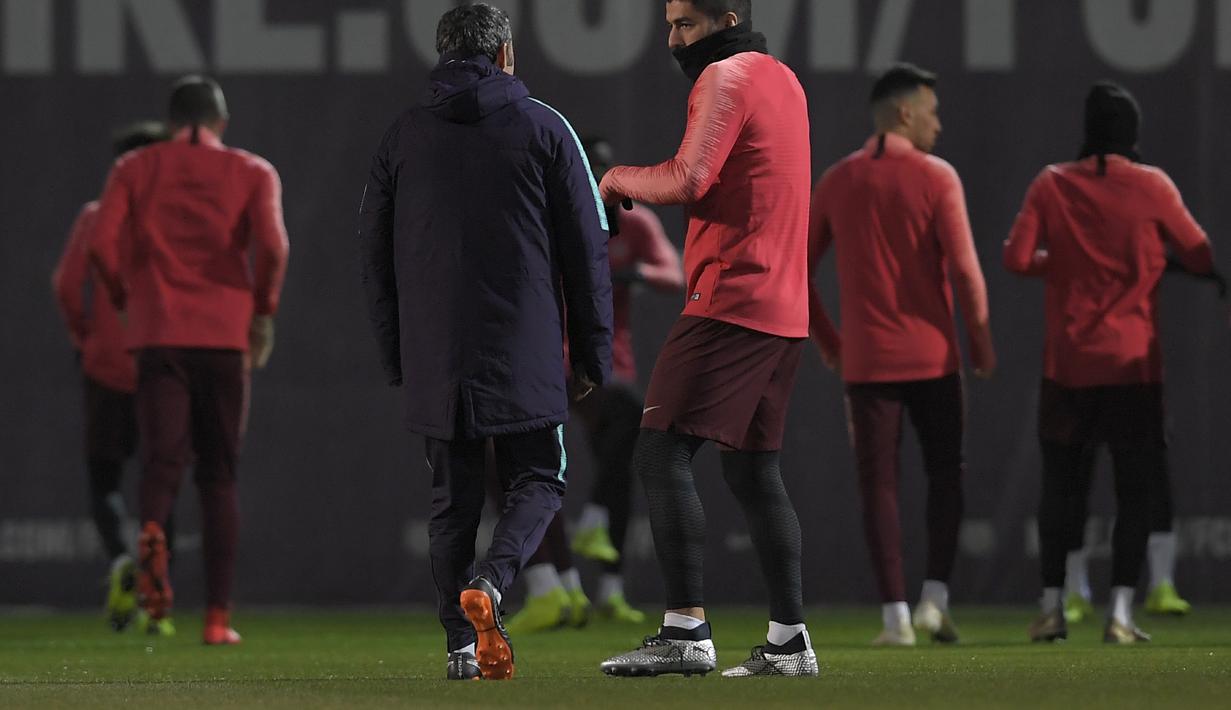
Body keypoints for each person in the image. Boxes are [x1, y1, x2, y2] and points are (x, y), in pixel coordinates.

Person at [357, 3, 612, 681]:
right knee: (540, 476)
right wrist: (592, 355)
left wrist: (397, 356)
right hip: (521, 344)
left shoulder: (401, 137)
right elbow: (586, 250)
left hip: (435, 352)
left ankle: (458, 648)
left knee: (452, 501)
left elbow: (373, 257)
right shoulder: (545, 128)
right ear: (505, 54)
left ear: (442, 58)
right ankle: (494, 584)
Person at [597, 0, 818, 678]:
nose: (671, 39)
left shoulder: (724, 79)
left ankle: (683, 631)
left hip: (733, 299)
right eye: (667, 25)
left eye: (684, 25)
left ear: (725, 17)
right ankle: (789, 642)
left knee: (660, 451)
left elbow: (690, 177)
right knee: (752, 471)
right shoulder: (783, 78)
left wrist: (614, 179)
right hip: (784, 310)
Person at [1004, 81, 1213, 644]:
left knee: (1061, 490)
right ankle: (1120, 614)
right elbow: (1198, 251)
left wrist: (1067, 262)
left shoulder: (1051, 183)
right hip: (1131, 369)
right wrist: (1152, 262)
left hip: (1067, 365)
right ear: (1133, 134)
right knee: (1135, 491)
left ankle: (1053, 607)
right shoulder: (1152, 186)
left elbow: (1017, 257)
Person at [89, 76, 290, 646]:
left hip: (158, 333)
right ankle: (217, 618)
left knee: (160, 464)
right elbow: (274, 247)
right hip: (225, 335)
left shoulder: (135, 169)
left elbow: (102, 244)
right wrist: (263, 311)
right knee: (220, 474)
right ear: (221, 121)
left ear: (172, 119)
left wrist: (126, 297)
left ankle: (152, 538)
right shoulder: (253, 171)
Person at [807, 63, 996, 646]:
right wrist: (981, 345)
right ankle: (934, 601)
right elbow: (965, 273)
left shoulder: (839, 181)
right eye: (932, 111)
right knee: (947, 477)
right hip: (936, 360)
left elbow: (795, 272)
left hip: (867, 366)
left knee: (878, 487)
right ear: (906, 112)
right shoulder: (938, 178)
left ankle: (896, 619)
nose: (939, 124)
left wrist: (830, 342)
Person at [505, 137, 685, 635]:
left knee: (626, 443)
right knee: (533, 468)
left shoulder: (634, 222)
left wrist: (632, 273)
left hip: (605, 364)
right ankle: (562, 584)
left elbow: (676, 275)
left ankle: (606, 582)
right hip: (549, 361)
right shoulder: (550, 216)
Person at [52, 122, 170, 634]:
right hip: (161, 362)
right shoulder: (175, 220)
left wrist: (87, 339)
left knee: (105, 480)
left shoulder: (97, 217)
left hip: (106, 365)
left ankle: (123, 560)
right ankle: (154, 599)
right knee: (159, 485)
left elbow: (65, 285)